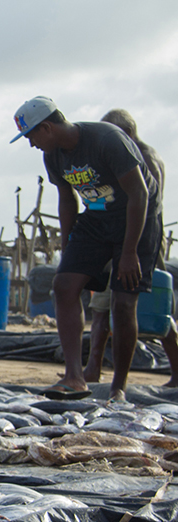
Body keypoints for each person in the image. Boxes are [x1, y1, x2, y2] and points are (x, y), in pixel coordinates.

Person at [11, 97, 161, 401]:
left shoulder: (106, 140)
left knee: (123, 302)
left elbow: (139, 194)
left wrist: (129, 252)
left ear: (47, 128)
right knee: (64, 285)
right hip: (96, 218)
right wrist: (68, 247)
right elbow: (67, 200)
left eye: (31, 136)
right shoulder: (53, 155)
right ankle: (74, 377)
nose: (31, 144)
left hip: (137, 219)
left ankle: (118, 388)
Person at [83, 108, 177, 388]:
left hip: (139, 240)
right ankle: (92, 368)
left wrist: (130, 248)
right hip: (122, 237)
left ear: (126, 135)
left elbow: (145, 205)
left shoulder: (144, 157)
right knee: (105, 304)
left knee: (145, 306)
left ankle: (114, 377)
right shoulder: (132, 155)